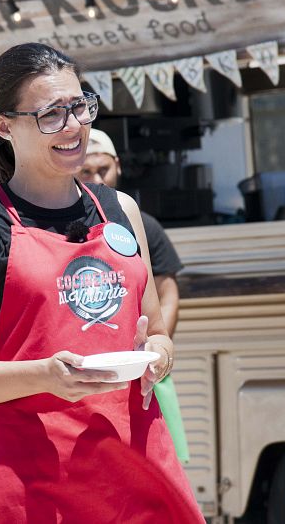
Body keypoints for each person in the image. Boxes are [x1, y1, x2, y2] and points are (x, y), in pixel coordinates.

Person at [0, 43, 204, 523]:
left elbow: (156, 330)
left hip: (135, 468)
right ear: (4, 125)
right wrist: (43, 376)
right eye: (51, 113)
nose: (74, 126)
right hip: (31, 484)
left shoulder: (122, 210)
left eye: (79, 106)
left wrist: (158, 357)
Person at [79, 128, 190, 464]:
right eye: (87, 172)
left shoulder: (141, 223)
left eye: (104, 169)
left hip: (143, 371)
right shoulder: (70, 225)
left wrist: (156, 348)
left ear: (119, 166)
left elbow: (168, 293)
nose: (98, 178)